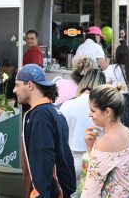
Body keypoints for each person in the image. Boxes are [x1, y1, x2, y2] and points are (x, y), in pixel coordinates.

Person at [13, 64, 76, 197]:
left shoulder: (41, 115)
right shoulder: (52, 111)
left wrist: (41, 194)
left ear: (30, 85)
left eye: (17, 85)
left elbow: (44, 160)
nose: (14, 90)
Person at [79, 85, 129, 197]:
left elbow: (90, 192)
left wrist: (91, 148)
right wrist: (91, 147)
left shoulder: (104, 143)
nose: (89, 114)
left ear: (107, 112)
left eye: (93, 110)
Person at [59, 69, 106, 184]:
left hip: (70, 159)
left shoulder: (67, 105)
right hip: (96, 159)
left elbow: (58, 134)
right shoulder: (104, 108)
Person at [104, 44, 129, 125]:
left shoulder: (111, 68)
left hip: (116, 98)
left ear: (117, 55)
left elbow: (108, 87)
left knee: (116, 122)